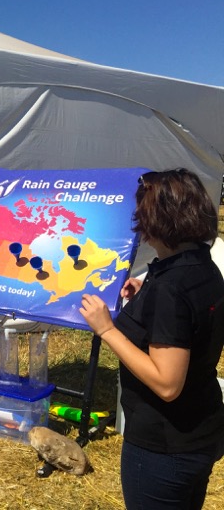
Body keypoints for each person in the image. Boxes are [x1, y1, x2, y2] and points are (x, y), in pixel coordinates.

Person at [79, 168, 224, 509]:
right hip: (201, 432)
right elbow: (193, 316)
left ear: (157, 222)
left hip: (164, 448)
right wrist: (146, 294)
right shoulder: (201, 265)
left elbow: (167, 383)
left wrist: (107, 329)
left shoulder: (171, 287)